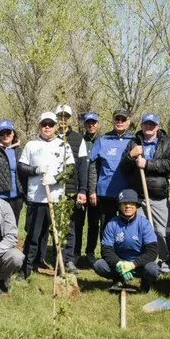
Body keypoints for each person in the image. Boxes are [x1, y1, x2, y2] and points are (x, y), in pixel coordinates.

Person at [17, 112, 76, 280]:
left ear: (56, 126)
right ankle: (27, 269)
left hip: (57, 199)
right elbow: (22, 167)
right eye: (44, 124)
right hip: (36, 199)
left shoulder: (62, 145)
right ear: (40, 126)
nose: (47, 127)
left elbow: (70, 169)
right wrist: (35, 170)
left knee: (59, 236)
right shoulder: (31, 145)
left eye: (51, 124)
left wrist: (56, 179)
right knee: (33, 236)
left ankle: (62, 269)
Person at [119, 113, 170, 275]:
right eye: (146, 124)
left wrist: (147, 164)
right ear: (142, 126)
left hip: (158, 193)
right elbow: (123, 167)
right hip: (138, 195)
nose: (149, 127)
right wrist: (132, 156)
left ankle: (164, 261)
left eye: (152, 124)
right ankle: (144, 261)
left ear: (158, 127)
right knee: (139, 231)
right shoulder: (133, 143)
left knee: (162, 230)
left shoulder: (167, 143)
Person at [92, 189, 160, 293]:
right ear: (119, 206)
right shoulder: (112, 224)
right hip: (119, 264)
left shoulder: (145, 224)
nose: (128, 206)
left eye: (131, 203)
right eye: (124, 203)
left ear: (136, 206)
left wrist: (133, 264)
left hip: (139, 265)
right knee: (99, 265)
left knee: (153, 269)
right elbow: (106, 250)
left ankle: (145, 284)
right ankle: (118, 280)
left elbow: (152, 252)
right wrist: (119, 264)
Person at [88, 108, 134, 240]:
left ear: (128, 121)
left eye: (123, 119)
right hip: (106, 192)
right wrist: (92, 190)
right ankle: (106, 255)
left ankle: (124, 254)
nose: (120, 122)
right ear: (113, 120)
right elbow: (93, 167)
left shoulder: (133, 140)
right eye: (117, 119)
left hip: (127, 192)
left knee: (126, 226)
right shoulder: (103, 140)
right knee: (107, 226)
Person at [54, 104, 88, 274]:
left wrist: (82, 190)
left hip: (71, 190)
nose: (62, 120)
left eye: (65, 116)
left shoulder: (78, 139)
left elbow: (82, 167)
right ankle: (56, 258)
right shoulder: (50, 137)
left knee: (70, 226)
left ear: (69, 118)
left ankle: (69, 259)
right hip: (53, 190)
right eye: (59, 116)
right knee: (54, 225)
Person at [81, 111, 102, 265]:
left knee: (94, 223)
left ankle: (90, 252)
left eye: (93, 122)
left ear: (98, 124)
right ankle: (75, 252)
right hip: (81, 189)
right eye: (88, 123)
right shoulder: (80, 141)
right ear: (84, 125)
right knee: (78, 222)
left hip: (96, 189)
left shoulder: (103, 141)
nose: (91, 125)